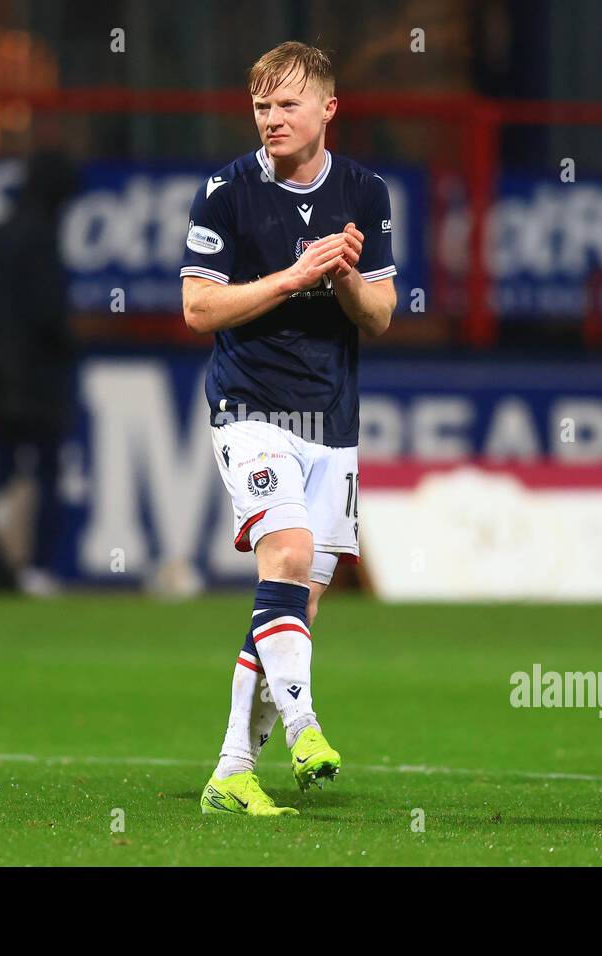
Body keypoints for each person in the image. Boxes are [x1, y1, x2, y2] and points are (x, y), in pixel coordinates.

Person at [180, 42, 398, 816]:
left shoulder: (366, 192)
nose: (271, 119)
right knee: (290, 552)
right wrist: (291, 277)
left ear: (327, 110)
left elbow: (378, 316)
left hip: (332, 423)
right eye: (261, 106)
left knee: (293, 612)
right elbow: (199, 308)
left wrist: (340, 276)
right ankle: (306, 727)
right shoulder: (226, 194)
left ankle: (232, 772)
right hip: (251, 409)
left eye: (287, 105)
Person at [0, 150, 79, 596]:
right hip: (39, 382)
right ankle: (36, 568)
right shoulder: (41, 238)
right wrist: (71, 348)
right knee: (48, 473)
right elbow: (48, 316)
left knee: (3, 470)